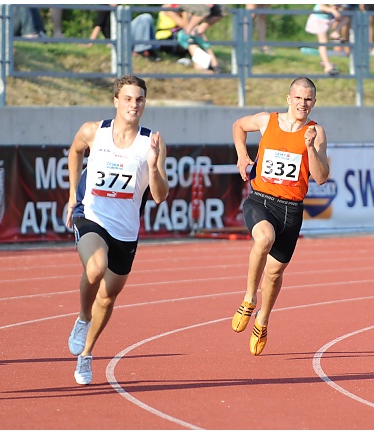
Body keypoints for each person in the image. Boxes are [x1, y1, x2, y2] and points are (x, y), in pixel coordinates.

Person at [65, 75, 169, 385]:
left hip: (125, 230)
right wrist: (72, 195)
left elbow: (160, 196)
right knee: (95, 267)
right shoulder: (93, 131)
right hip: (91, 216)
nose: (133, 105)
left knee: (108, 297)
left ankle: (86, 354)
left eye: (139, 99)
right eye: (127, 98)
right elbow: (75, 152)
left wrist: (153, 166)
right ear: (116, 101)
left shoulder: (152, 142)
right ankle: (83, 317)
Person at [230, 77, 330, 356]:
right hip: (261, 200)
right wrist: (242, 155)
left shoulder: (316, 132)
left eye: (308, 99)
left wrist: (310, 148)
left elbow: (322, 177)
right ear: (288, 99)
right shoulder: (267, 121)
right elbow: (238, 125)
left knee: (274, 273)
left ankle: (262, 319)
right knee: (264, 238)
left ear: (314, 102)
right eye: (298, 98)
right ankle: (249, 299)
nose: (302, 104)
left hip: (291, 209)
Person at [155, 4, 219, 72]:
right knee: (189, 37)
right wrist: (185, 12)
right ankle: (202, 65)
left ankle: (213, 62)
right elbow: (185, 25)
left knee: (197, 33)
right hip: (165, 40)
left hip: (179, 39)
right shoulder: (168, 8)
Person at [90, 8, 162, 61]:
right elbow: (98, 26)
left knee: (147, 18)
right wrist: (90, 43)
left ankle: (150, 48)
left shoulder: (120, 7)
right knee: (145, 17)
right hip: (119, 38)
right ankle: (142, 50)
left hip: (126, 34)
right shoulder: (105, 7)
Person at [175, 4, 225, 71]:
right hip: (174, 34)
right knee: (191, 38)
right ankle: (204, 66)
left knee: (197, 34)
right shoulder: (174, 8)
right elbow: (184, 23)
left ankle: (213, 63)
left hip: (189, 31)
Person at [304, 5, 342, 75]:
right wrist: (333, 10)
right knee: (323, 43)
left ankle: (325, 61)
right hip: (319, 19)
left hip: (328, 19)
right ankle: (327, 66)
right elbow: (321, 7)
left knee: (346, 17)